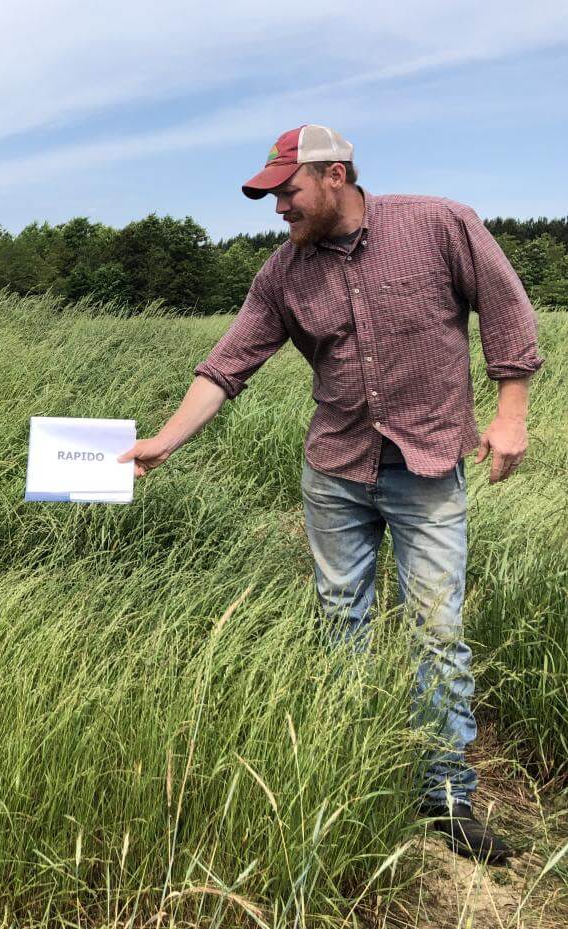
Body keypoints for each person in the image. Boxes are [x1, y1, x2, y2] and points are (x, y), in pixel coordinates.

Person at [118, 124, 543, 865]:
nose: (277, 206)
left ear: (335, 174)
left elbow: (507, 308)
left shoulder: (439, 223)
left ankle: (445, 796)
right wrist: (163, 439)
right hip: (337, 471)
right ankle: (347, 764)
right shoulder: (283, 274)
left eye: (287, 190)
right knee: (340, 624)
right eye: (271, 193)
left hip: (427, 464)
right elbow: (227, 365)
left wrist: (511, 416)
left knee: (437, 632)